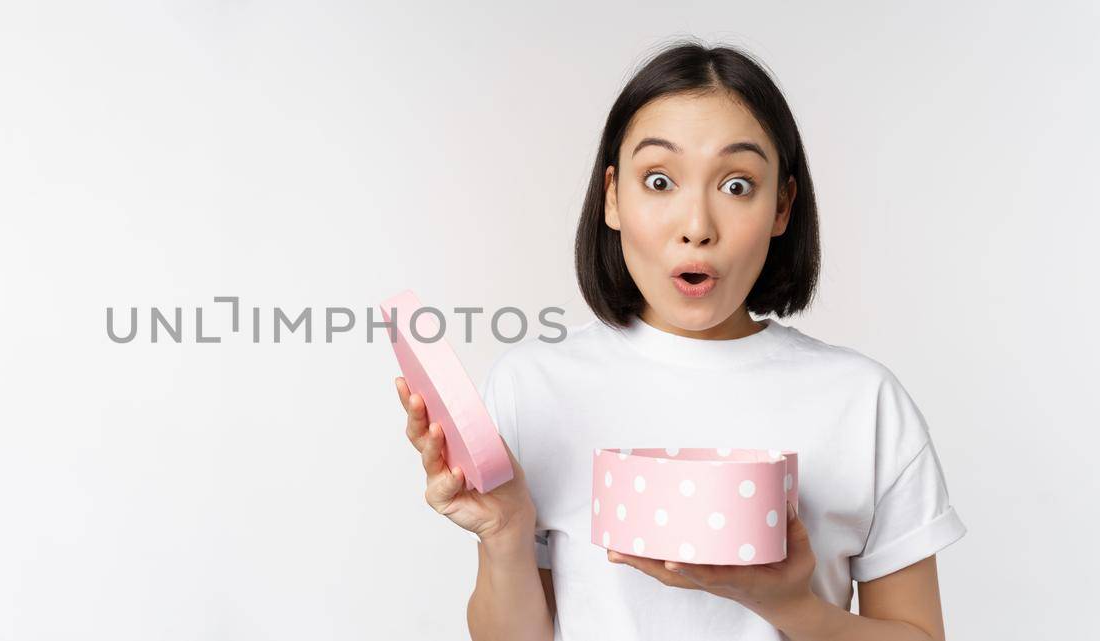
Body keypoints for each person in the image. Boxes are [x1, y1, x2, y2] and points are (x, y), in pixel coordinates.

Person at [396, 41, 966, 641]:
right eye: (660, 180)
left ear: (783, 206)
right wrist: (507, 532)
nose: (696, 227)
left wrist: (785, 603)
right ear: (613, 196)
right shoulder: (532, 386)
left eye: (738, 186)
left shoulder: (863, 401)